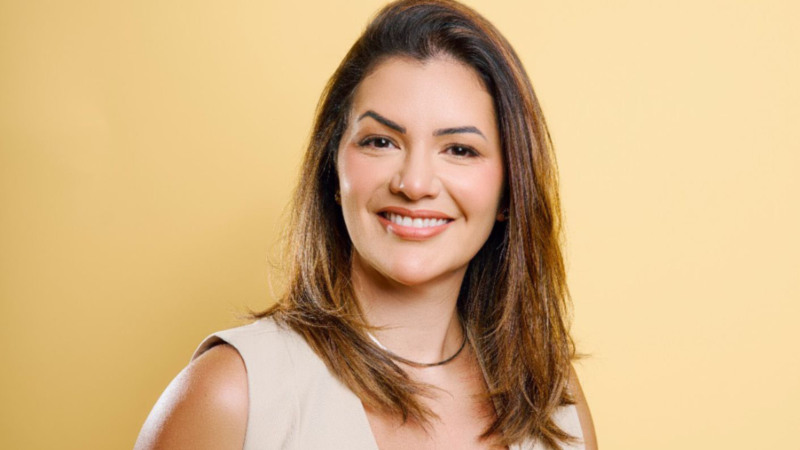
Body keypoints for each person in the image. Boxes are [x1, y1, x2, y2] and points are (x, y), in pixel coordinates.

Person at [135, 0, 597, 448]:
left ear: (509, 191)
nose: (414, 184)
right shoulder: (233, 394)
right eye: (380, 141)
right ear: (333, 169)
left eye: (460, 150)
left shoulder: (552, 401)